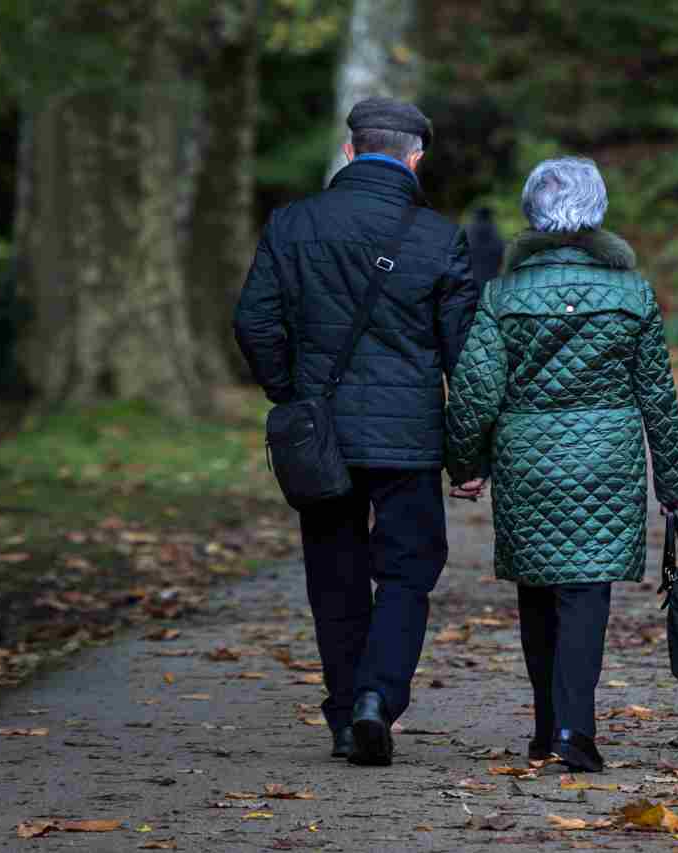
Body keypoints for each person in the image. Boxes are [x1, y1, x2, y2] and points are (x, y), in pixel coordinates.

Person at [233, 97, 479, 767]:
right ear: (415, 158)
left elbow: (254, 322)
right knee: (406, 573)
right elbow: (466, 356)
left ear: (350, 150)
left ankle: (346, 714)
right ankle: (378, 696)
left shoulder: (293, 224)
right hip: (408, 439)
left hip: (325, 435)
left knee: (333, 574)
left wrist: (291, 392)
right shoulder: (439, 238)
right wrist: (469, 455)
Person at [444, 157, 678, 772]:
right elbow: (657, 396)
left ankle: (543, 729)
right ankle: (574, 731)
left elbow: (476, 391)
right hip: (606, 460)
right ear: (597, 212)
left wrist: (464, 464)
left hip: (528, 461)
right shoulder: (632, 294)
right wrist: (674, 484)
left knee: (537, 592)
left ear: (531, 215)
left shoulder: (503, 294)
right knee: (586, 593)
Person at [465, 206, 505, 286]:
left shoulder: (468, 232)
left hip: (470, 281)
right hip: (491, 280)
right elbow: (503, 253)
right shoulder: (494, 233)